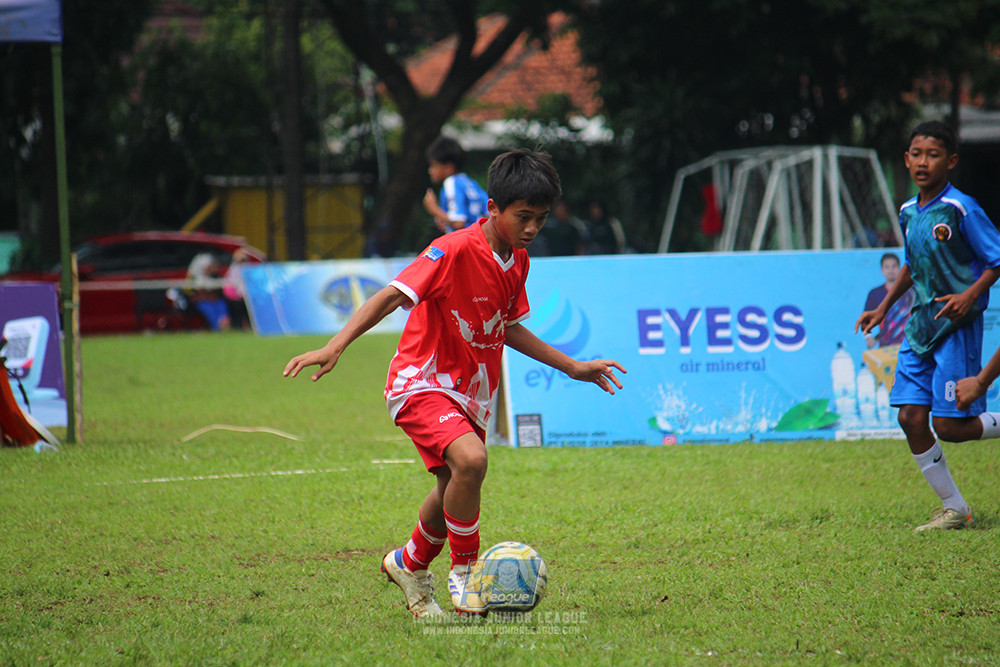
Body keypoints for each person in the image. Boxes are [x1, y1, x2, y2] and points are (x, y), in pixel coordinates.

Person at [284, 149, 626, 617]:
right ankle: (465, 575)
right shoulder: (453, 249)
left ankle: (407, 564)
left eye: (540, 219)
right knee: (472, 460)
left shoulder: (518, 261)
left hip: (471, 394)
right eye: (523, 217)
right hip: (420, 382)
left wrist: (571, 366)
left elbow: (505, 326)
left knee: (453, 487)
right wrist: (336, 345)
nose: (532, 228)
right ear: (492, 209)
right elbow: (390, 295)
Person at [855, 120, 1000, 532]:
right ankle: (955, 508)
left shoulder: (962, 208)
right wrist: (883, 307)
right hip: (918, 330)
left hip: (954, 328)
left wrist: (970, 295)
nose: (923, 162)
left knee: (950, 426)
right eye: (916, 154)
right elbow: (912, 265)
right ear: (906, 160)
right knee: (910, 419)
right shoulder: (907, 212)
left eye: (933, 155)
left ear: (950, 161)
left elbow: (996, 259)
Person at [422, 136, 490, 235]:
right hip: (482, 239)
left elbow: (458, 223)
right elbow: (489, 214)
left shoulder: (451, 183)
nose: (430, 170)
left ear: (449, 167)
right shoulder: (471, 183)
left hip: (467, 243)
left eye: (434, 165)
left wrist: (434, 209)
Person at [862, 252, 913, 348]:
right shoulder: (875, 294)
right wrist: (868, 337)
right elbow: (866, 319)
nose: (891, 270)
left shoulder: (911, 292)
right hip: (886, 347)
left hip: (909, 345)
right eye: (887, 267)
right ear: (882, 270)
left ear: (900, 269)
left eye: (894, 266)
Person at [186, 252, 230, 331]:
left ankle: (225, 327)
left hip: (214, 302)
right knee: (208, 308)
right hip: (202, 303)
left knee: (221, 304)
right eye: (209, 267)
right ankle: (217, 328)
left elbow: (215, 294)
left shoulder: (215, 277)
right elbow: (195, 296)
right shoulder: (194, 280)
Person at [222, 249, 251, 330]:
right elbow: (234, 283)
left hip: (242, 296)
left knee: (246, 314)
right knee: (237, 314)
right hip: (235, 296)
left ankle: (245, 327)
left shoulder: (247, 268)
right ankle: (236, 328)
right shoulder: (234, 269)